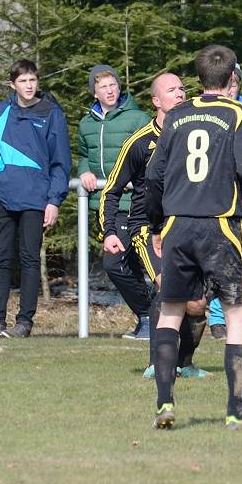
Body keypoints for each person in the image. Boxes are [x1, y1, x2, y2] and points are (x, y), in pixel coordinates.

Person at [145, 44, 242, 431]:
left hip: (177, 225)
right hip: (221, 226)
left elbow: (154, 176)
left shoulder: (177, 116)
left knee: (170, 312)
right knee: (236, 314)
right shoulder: (238, 113)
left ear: (199, 79)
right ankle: (237, 413)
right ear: (232, 78)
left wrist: (157, 225)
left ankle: (164, 404)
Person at [98, 73, 209, 379]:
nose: (180, 94)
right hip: (147, 229)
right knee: (167, 284)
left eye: (182, 88)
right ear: (156, 101)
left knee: (197, 304)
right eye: (171, 90)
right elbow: (112, 190)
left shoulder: (195, 135)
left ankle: (185, 364)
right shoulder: (139, 143)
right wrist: (108, 231)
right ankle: (155, 363)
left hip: (187, 226)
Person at [0, 59, 71, 339]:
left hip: (36, 199)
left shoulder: (52, 113)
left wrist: (54, 200)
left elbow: (60, 163)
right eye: (23, 81)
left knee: (30, 260)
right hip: (2, 198)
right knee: (1, 260)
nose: (29, 86)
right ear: (12, 84)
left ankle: (24, 323)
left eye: (32, 80)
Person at [78, 64, 154, 339]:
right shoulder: (87, 123)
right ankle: (148, 318)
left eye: (113, 85)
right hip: (106, 205)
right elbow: (84, 153)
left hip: (136, 203)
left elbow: (153, 153)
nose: (110, 91)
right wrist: (83, 170)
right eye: (103, 87)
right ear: (94, 92)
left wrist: (139, 179)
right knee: (123, 265)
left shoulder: (137, 118)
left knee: (117, 264)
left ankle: (151, 316)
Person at [208, 62, 242, 341]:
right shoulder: (203, 112)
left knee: (228, 265)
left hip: (232, 201)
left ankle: (220, 319)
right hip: (202, 201)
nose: (230, 89)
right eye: (226, 83)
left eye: (235, 84)